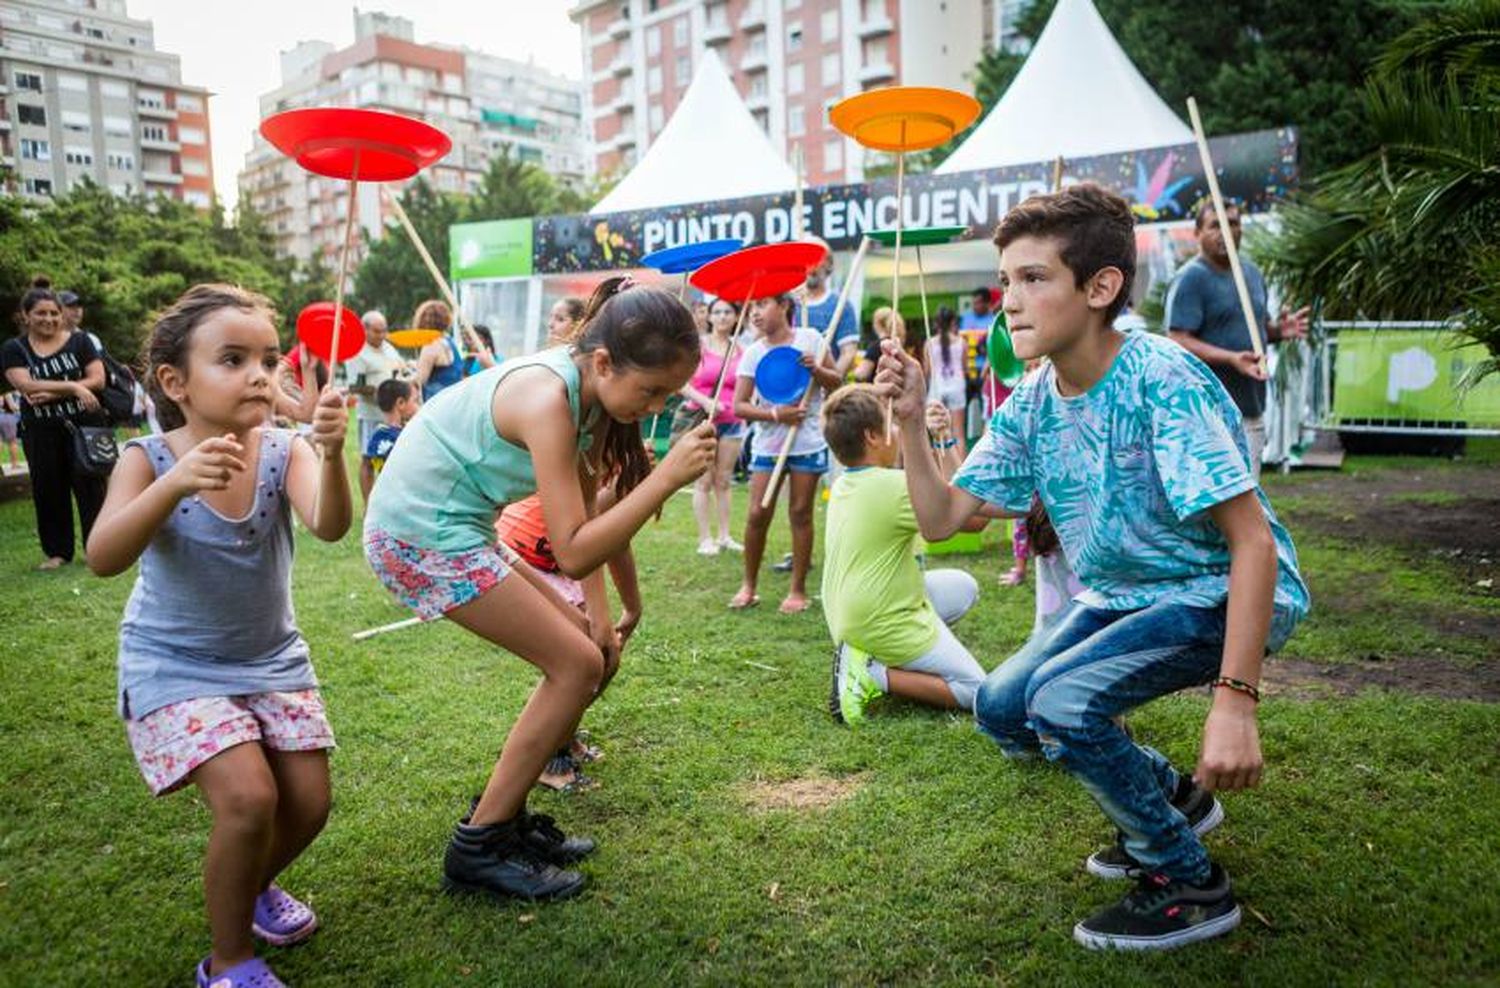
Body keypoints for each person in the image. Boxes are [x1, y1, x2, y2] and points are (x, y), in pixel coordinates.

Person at [875, 183, 1309, 951]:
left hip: (1216, 592)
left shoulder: (1159, 377)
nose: (1009, 299)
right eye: (1005, 280)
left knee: (1065, 705)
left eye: (1033, 278)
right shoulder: (1033, 401)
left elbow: (1252, 543)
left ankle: (1187, 880)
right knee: (1003, 704)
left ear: (1101, 287)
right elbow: (945, 519)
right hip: (1122, 594)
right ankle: (1171, 796)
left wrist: (1235, 701)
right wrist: (910, 424)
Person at [363, 278, 715, 902]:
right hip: (418, 533)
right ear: (604, 361)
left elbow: (582, 511)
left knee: (589, 651)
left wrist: (599, 617)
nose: (657, 407)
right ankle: (480, 845)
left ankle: (506, 815)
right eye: (651, 390)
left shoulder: (591, 398)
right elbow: (575, 546)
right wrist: (663, 480)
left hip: (462, 530)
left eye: (669, 394)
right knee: (575, 665)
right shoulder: (550, 397)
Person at [85, 283, 352, 988]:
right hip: (175, 665)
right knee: (248, 799)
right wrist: (172, 489)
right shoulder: (148, 459)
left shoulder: (283, 450)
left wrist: (332, 455)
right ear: (176, 382)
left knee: (309, 804)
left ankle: (247, 889)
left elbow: (329, 524)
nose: (259, 375)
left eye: (268, 359)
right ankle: (229, 959)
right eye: (232, 359)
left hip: (271, 660)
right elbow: (103, 556)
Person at [820, 384, 987, 723]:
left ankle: (878, 656)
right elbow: (974, 519)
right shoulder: (893, 488)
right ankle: (872, 673)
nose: (897, 430)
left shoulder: (845, 483)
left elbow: (930, 485)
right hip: (878, 618)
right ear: (872, 436)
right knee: (977, 690)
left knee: (963, 587)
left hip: (848, 611)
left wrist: (927, 436)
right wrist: (945, 440)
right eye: (890, 423)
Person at [1164, 200, 1309, 478]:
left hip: (1251, 410)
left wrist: (1279, 331)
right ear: (1197, 234)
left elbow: (1257, 329)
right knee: (1212, 509)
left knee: (1249, 498)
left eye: (1232, 223)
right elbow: (1177, 338)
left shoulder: (1252, 274)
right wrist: (1231, 359)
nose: (1226, 231)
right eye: (1216, 225)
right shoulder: (1191, 278)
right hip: (1207, 414)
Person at [730, 293, 841, 614]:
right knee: (756, 514)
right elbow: (740, 405)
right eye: (752, 307)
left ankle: (797, 590)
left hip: (807, 444)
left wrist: (817, 370)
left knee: (801, 512)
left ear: (785, 306)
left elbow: (837, 383)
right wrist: (777, 415)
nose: (755, 313)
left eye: (762, 305)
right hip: (768, 446)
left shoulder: (811, 339)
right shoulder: (753, 353)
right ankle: (748, 585)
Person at [1, 278, 108, 569]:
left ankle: (97, 546)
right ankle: (57, 553)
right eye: (41, 313)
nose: (48, 318)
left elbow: (98, 379)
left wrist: (52, 390)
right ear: (26, 315)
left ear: (61, 315)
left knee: (91, 488)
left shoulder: (80, 341)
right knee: (48, 489)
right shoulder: (15, 348)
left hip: (83, 426)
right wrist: (74, 388)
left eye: (53, 313)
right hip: (40, 431)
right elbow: (25, 384)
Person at [678, 298, 745, 555]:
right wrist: (705, 402)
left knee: (724, 480)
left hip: (732, 423)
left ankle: (725, 535)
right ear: (710, 317)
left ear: (736, 317)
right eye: (717, 312)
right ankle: (705, 539)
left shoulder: (740, 349)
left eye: (728, 311)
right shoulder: (699, 347)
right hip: (702, 421)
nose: (723, 316)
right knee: (704, 481)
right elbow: (681, 383)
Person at [340, 310, 409, 452]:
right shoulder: (357, 351)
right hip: (370, 414)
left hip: (392, 414)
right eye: (377, 331)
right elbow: (355, 387)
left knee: (391, 454)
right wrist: (382, 390)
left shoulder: (387, 347)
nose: (382, 335)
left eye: (384, 331)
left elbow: (400, 366)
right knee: (368, 456)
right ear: (364, 330)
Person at [796, 239, 860, 376]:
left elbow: (848, 353)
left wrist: (830, 381)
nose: (812, 265)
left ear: (829, 264)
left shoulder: (841, 306)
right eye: (806, 258)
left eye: (817, 258)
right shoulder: (789, 305)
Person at [359, 378, 418, 501]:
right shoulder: (396, 436)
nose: (417, 407)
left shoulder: (377, 436)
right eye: (415, 401)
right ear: (401, 403)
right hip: (400, 498)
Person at [925, 305, 968, 455]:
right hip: (957, 386)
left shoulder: (930, 343)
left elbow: (927, 371)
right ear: (953, 322)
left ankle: (941, 471)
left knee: (937, 434)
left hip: (937, 387)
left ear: (936, 323)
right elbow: (965, 368)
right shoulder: (961, 342)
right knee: (959, 435)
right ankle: (961, 472)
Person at [0, 389, 22, 469]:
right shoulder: (7, 391)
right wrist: (20, 408)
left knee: (0, 442)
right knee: (12, 442)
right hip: (7, 416)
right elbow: (12, 406)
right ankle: (14, 464)